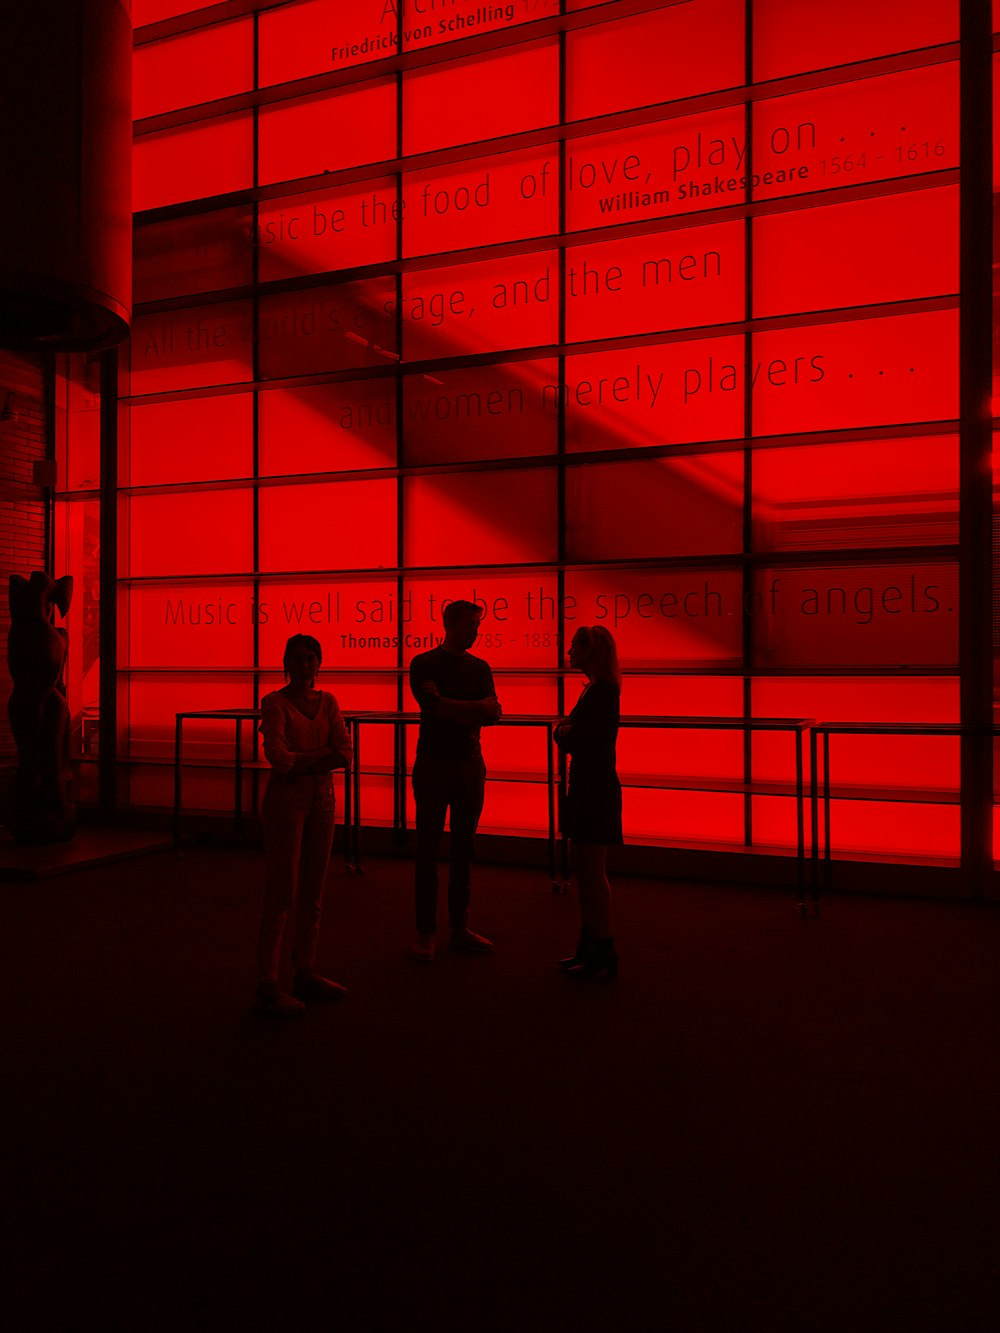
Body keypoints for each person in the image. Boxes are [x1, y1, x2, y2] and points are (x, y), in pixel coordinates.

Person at [255, 634, 353, 1016]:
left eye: (310, 657)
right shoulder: (273, 702)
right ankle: (267, 981)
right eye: (297, 658)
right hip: (288, 800)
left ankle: (303, 969)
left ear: (319, 662)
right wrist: (321, 758)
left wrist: (303, 761)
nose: (304, 664)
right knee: (282, 890)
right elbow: (277, 757)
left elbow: (345, 753)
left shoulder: (328, 701)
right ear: (286, 663)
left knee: (313, 890)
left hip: (321, 799)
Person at [409, 599, 502, 962]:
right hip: (448, 762)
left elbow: (489, 713)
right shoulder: (430, 664)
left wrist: (448, 706)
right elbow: (481, 712)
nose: (475, 631)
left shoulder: (435, 665)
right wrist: (473, 710)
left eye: (476, 625)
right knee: (432, 848)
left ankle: (442, 930)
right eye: (470, 625)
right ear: (450, 624)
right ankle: (437, 929)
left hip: (455, 762)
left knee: (460, 846)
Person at [554, 626, 622, 980]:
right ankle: (593, 944)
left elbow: (575, 737)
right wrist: (565, 731)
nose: (568, 652)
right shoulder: (600, 690)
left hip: (592, 788)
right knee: (587, 868)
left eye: (573, 648)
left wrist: (561, 731)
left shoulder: (600, 693)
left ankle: (600, 945)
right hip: (592, 786)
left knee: (591, 869)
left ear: (588, 652)